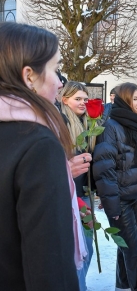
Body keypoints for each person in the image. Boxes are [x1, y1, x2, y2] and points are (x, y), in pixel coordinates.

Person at [0, 22, 80, 290]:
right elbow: (49, 263)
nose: (60, 83)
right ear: (29, 77)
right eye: (56, 70)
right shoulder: (38, 145)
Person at [93, 82, 137, 291]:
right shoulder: (111, 127)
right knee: (133, 249)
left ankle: (122, 284)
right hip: (121, 199)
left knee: (129, 244)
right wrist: (111, 205)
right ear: (124, 100)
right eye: (135, 99)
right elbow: (105, 170)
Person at [61, 81, 96, 291]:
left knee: (88, 246)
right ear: (65, 99)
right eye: (78, 99)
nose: (83, 103)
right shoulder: (63, 123)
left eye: (85, 99)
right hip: (70, 196)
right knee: (80, 249)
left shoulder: (85, 123)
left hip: (84, 191)